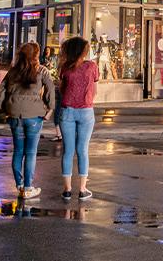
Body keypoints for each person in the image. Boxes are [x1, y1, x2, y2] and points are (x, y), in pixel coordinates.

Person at [1, 42, 55, 199]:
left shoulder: (13, 71)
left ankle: (19, 185)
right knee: (31, 152)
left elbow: (1, 89)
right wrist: (49, 109)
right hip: (34, 115)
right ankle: (28, 187)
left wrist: (3, 108)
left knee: (18, 151)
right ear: (36, 55)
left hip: (14, 114)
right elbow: (50, 89)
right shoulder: (41, 70)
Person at [58, 36, 99, 201]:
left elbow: (62, 89)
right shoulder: (92, 66)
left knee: (68, 151)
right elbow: (95, 91)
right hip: (86, 111)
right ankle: (82, 189)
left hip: (67, 111)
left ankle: (67, 189)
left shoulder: (65, 68)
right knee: (83, 150)